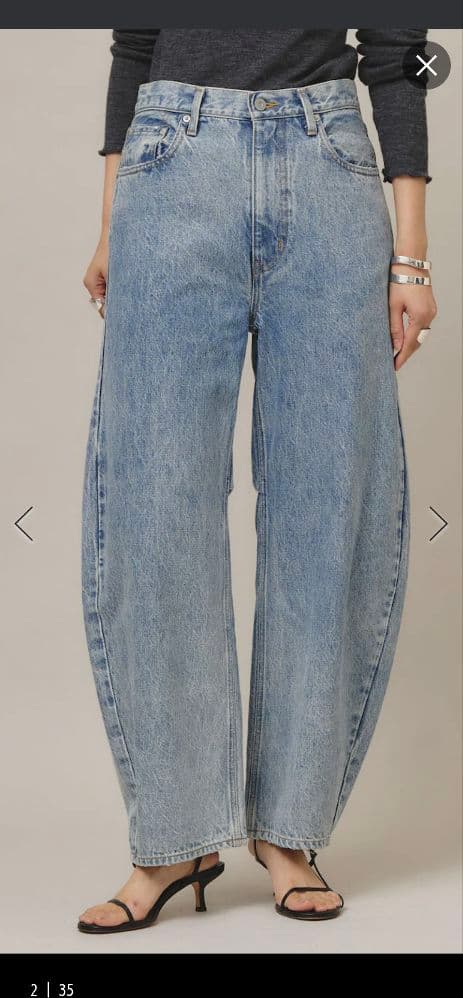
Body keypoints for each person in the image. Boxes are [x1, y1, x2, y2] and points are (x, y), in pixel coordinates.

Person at [78, 29, 437, 933]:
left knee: (326, 507)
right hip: (170, 166)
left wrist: (410, 255)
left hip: (327, 169)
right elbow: (136, 45)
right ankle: (176, 837)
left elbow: (397, 52)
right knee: (154, 508)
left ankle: (290, 832)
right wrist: (112, 222)